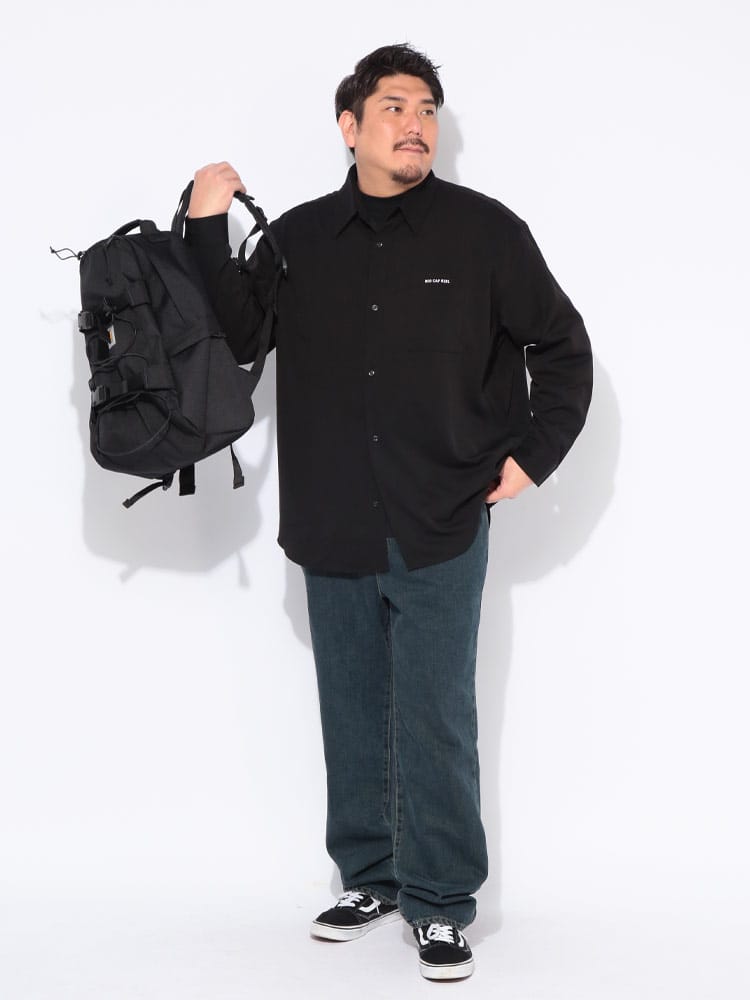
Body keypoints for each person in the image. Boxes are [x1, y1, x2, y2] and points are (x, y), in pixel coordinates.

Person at [185, 43, 593, 982]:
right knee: (353, 706)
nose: (416, 125)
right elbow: (241, 335)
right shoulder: (296, 238)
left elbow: (563, 349)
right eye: (396, 108)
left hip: (441, 514)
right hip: (332, 513)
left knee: (437, 714)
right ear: (351, 126)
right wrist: (208, 225)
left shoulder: (487, 234)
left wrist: (532, 457)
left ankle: (441, 901)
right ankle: (369, 877)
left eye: (428, 110)